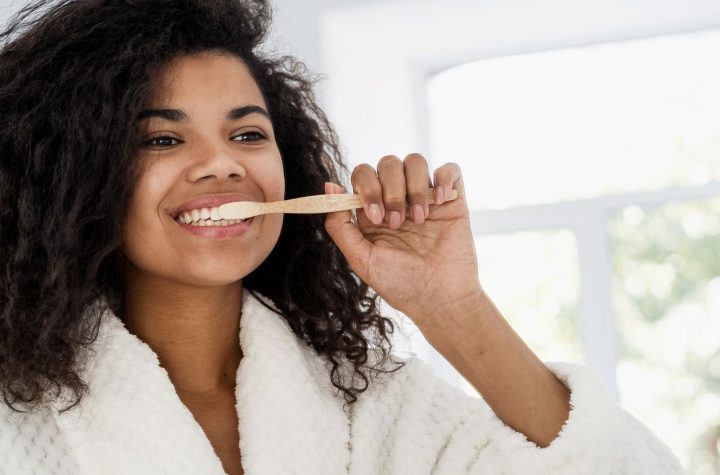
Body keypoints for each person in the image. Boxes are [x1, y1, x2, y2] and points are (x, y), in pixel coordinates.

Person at [0, 1, 683, 474]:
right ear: (76, 178)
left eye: (246, 133)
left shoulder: (365, 403)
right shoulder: (17, 412)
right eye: (163, 138)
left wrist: (450, 303)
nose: (223, 161)